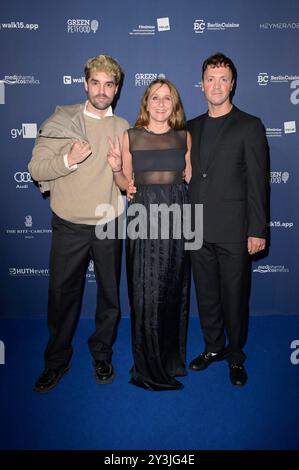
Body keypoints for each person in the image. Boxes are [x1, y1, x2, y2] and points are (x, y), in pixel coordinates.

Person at [28, 54, 129, 392]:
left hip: (109, 224)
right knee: (61, 297)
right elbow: (36, 170)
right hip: (69, 223)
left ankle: (102, 354)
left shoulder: (123, 127)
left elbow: (128, 182)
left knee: (110, 297)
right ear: (85, 84)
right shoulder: (62, 120)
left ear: (116, 90)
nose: (102, 90)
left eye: (109, 84)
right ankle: (56, 361)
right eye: (96, 82)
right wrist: (69, 159)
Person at [187, 52, 268, 386]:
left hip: (235, 230)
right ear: (202, 85)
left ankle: (236, 355)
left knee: (234, 297)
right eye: (210, 78)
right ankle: (212, 347)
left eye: (223, 79)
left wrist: (257, 229)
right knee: (205, 295)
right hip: (196, 228)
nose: (216, 85)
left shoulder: (249, 125)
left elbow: (258, 181)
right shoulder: (190, 127)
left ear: (232, 84)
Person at [107, 78, 192, 390]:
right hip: (144, 218)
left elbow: (187, 178)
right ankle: (147, 369)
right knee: (145, 292)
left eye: (166, 98)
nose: (160, 104)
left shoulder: (185, 137)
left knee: (172, 289)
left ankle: (170, 360)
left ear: (174, 105)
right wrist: (117, 169)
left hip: (177, 218)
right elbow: (124, 185)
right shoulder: (130, 137)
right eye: (154, 98)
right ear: (146, 102)